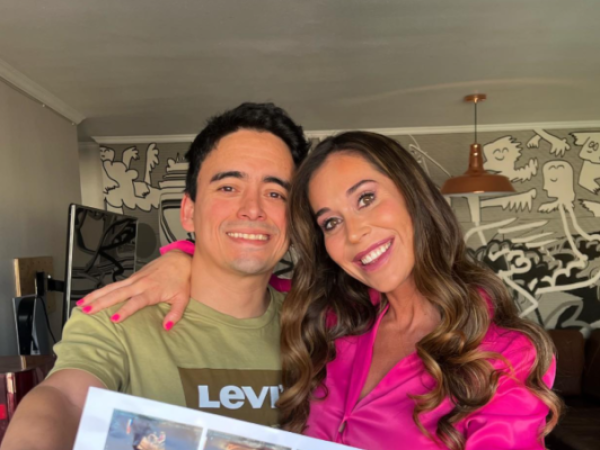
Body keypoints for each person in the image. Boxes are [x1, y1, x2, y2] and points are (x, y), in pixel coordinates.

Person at [73, 132, 561, 450]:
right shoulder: (335, 317)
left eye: (366, 198)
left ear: (415, 198)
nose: (355, 233)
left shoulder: (502, 354)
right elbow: (239, 276)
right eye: (331, 221)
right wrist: (180, 258)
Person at [0, 103, 309, 450]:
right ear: (188, 211)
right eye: (228, 188)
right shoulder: (115, 317)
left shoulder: (317, 325)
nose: (253, 209)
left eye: (275, 193)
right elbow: (66, 399)